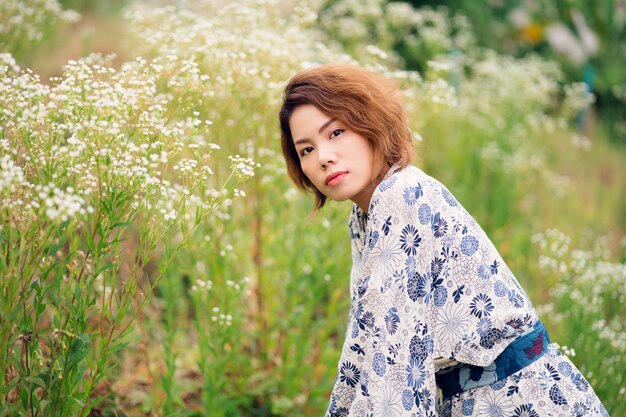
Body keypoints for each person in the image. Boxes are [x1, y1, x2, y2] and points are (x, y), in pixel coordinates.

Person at [278, 65, 608, 417]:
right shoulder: (364, 218)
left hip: (521, 401)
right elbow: (366, 346)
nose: (324, 158)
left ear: (370, 123)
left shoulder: (401, 194)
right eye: (307, 150)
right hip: (478, 401)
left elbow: (397, 362)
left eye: (337, 132)